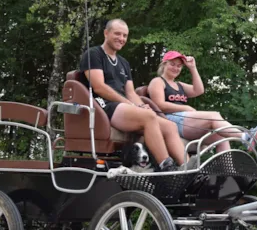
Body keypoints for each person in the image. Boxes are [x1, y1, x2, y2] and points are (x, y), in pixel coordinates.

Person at [78, 19, 187, 171]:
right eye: (117, 34)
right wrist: (131, 105)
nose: (121, 39)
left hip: (124, 107)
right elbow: (99, 87)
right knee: (148, 117)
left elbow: (130, 92)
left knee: (169, 126)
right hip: (104, 106)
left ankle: (189, 168)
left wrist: (141, 106)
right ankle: (166, 166)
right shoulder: (94, 54)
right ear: (106, 33)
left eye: (125, 35)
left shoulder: (124, 63)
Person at [148, 50, 257, 153]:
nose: (176, 68)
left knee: (221, 135)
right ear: (164, 64)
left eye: (179, 66)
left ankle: (228, 171)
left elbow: (198, 90)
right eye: (172, 64)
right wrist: (186, 108)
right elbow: (159, 105)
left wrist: (193, 68)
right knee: (214, 115)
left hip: (185, 121)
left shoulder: (179, 85)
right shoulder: (158, 81)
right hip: (170, 121)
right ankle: (245, 137)